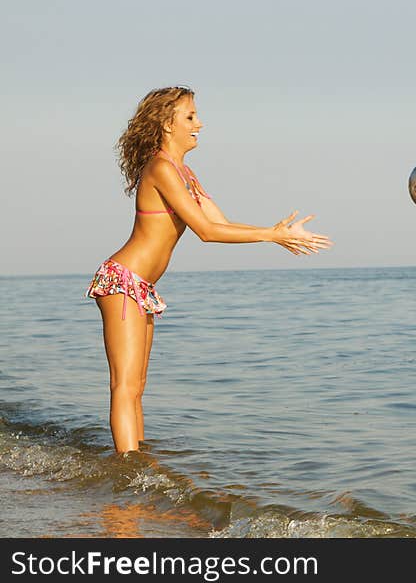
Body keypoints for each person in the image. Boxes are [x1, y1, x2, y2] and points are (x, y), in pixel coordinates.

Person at [86, 86, 333, 454]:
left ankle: (138, 466)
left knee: (136, 387)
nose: (199, 123)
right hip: (122, 281)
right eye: (190, 117)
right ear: (167, 124)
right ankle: (128, 474)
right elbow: (206, 232)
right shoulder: (160, 168)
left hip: (141, 287)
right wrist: (271, 235)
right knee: (124, 386)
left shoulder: (185, 173)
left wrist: (276, 234)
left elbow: (222, 222)